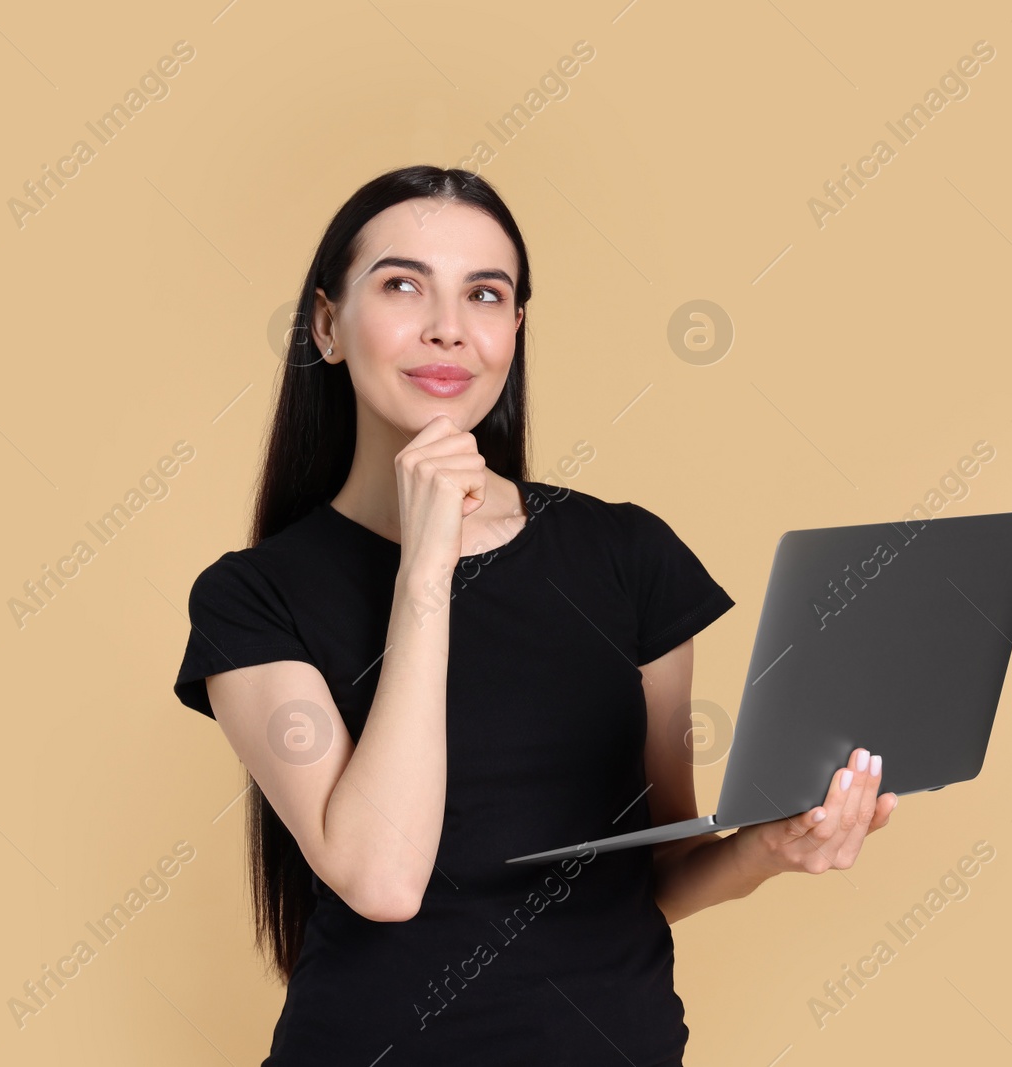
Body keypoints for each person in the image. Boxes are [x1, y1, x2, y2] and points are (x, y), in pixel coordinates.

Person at [172, 165, 899, 1066]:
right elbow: (384, 877)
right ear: (327, 324)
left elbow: (654, 870)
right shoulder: (254, 596)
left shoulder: (628, 557)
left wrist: (771, 847)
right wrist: (426, 568)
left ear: (513, 330)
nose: (448, 325)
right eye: (403, 284)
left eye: (485, 293)